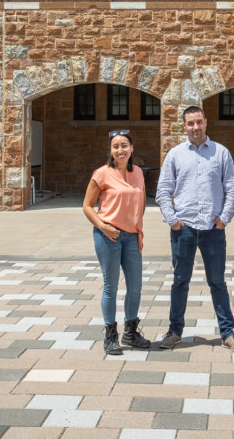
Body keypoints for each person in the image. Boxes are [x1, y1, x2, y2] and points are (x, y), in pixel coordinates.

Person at [155, 105, 234, 353]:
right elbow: (163, 191)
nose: (195, 127)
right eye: (190, 123)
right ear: (184, 126)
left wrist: (224, 218)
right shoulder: (175, 155)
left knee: (217, 282)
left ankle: (228, 334)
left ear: (206, 122)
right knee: (179, 282)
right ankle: (175, 332)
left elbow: (232, 189)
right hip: (183, 228)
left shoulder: (221, 153)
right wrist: (173, 219)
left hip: (213, 229)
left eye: (199, 122)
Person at [82, 129, 151, 355]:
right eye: (116, 146)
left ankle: (131, 332)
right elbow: (87, 206)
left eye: (124, 145)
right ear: (111, 151)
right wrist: (103, 226)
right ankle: (110, 336)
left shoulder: (139, 172)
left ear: (131, 148)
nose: (120, 150)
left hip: (131, 236)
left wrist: (137, 227)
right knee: (111, 287)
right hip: (108, 236)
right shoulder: (101, 174)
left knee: (135, 286)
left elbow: (140, 203)